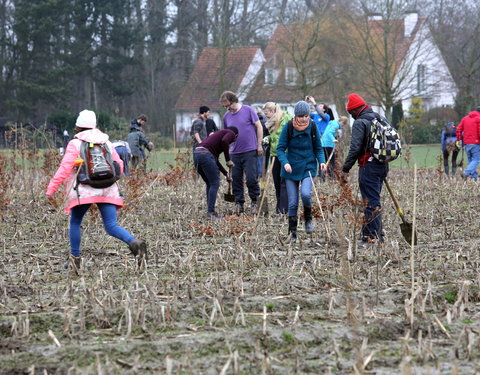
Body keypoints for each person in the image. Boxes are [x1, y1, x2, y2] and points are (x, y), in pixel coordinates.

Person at [46, 110, 147, 272]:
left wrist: (51, 189)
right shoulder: (106, 142)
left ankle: (75, 259)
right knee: (111, 225)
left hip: (83, 190)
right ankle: (133, 242)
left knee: (75, 222)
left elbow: (64, 169)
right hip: (107, 188)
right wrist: (107, 181)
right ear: (95, 126)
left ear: (78, 127)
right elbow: (119, 165)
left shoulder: (75, 143)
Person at [340, 93, 389, 245]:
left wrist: (345, 168)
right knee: (372, 199)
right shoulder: (380, 118)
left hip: (368, 165)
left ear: (356, 110)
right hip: (382, 164)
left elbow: (355, 148)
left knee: (371, 201)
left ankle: (373, 236)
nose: (351, 116)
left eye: (351, 113)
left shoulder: (360, 122)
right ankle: (370, 234)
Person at [276, 100, 327, 242]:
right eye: (301, 116)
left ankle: (308, 219)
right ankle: (292, 233)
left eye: (306, 115)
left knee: (305, 194)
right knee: (292, 202)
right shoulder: (289, 127)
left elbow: (318, 147)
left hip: (308, 166)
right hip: (290, 168)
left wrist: (322, 161)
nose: (304, 119)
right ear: (296, 116)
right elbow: (280, 148)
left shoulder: (312, 126)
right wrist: (285, 163)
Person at [220, 91, 263, 215]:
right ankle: (239, 203)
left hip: (250, 151)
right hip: (234, 153)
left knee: (251, 178)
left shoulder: (248, 110)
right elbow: (226, 135)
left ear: (234, 101)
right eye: (225, 106)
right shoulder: (226, 117)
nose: (227, 108)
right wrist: (227, 152)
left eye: (228, 105)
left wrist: (259, 144)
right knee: (236, 179)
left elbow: (259, 126)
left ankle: (254, 201)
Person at [193, 127, 238, 219]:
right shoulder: (231, 133)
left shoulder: (214, 141)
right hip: (205, 155)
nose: (232, 141)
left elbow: (215, 161)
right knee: (214, 183)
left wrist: (226, 173)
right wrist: (228, 160)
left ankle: (210, 211)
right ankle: (211, 213)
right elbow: (225, 140)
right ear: (236, 136)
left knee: (210, 183)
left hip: (197, 154)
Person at [262, 102, 292, 214]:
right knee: (277, 182)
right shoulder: (271, 123)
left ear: (273, 111)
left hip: (285, 154)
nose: (265, 116)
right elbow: (274, 137)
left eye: (267, 113)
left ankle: (284, 209)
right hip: (274, 154)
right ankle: (279, 207)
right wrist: (268, 138)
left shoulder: (286, 120)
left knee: (284, 182)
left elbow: (283, 137)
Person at [456, 107, 480, 181]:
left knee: (471, 161)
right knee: (476, 159)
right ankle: (466, 173)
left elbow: (458, 129)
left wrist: (459, 139)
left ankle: (474, 179)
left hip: (466, 144)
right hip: (476, 143)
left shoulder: (465, 118)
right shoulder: (479, 118)